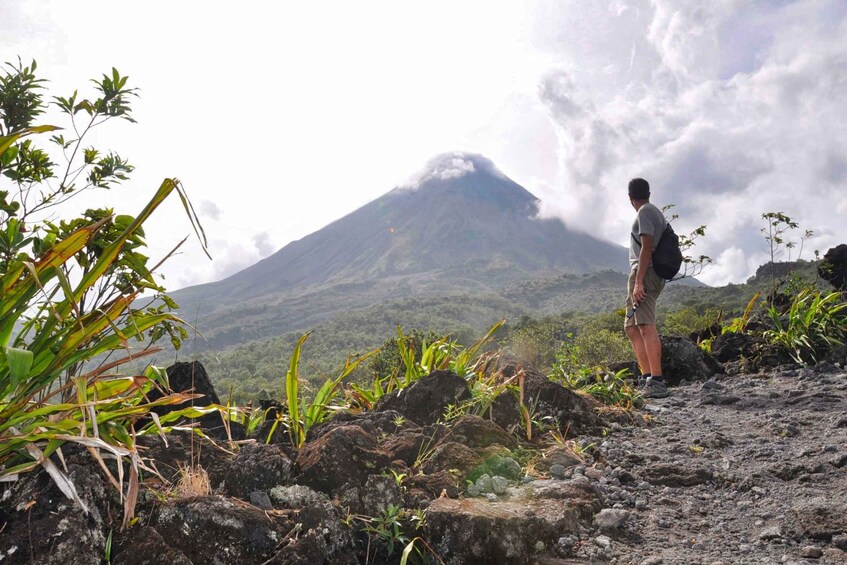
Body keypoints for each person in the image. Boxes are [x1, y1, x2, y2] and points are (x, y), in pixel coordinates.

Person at [624, 178, 668, 398]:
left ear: (630, 198)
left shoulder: (644, 212)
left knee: (645, 324)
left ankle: (657, 380)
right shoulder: (654, 211)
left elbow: (647, 247)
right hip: (647, 273)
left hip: (645, 273)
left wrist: (639, 281)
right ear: (648, 192)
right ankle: (647, 376)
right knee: (631, 326)